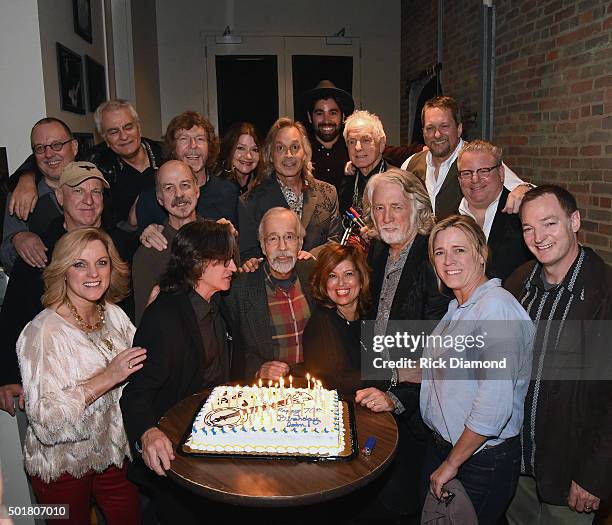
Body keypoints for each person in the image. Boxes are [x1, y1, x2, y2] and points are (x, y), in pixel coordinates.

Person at [16, 227, 145, 525]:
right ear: (63, 270)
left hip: (113, 455)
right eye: (80, 264)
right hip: (60, 469)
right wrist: (107, 378)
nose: (94, 273)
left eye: (102, 262)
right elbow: (45, 422)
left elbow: (140, 369)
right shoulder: (42, 332)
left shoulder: (113, 314)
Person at [505, 185, 612, 524]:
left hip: (571, 477)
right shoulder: (519, 283)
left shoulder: (605, 292)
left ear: (574, 221)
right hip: (516, 468)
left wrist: (595, 475)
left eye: (549, 223)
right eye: (528, 228)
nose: (539, 237)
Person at [419, 214, 534, 525]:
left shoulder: (496, 309)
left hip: (479, 461)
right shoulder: (457, 308)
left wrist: (453, 462)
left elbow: (493, 407)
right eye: (439, 253)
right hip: (451, 449)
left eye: (460, 250)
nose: (448, 260)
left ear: (482, 254)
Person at [120, 220, 237, 525]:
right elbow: (136, 393)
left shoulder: (218, 302)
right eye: (225, 261)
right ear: (198, 263)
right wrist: (147, 432)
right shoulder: (165, 317)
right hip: (175, 456)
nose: (233, 267)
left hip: (213, 443)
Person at [358, 167, 450, 520]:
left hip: (412, 411)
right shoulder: (379, 251)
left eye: (395, 207)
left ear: (416, 207)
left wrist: (397, 396)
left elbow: (437, 346)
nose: (387, 217)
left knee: (403, 507)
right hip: (376, 395)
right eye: (379, 209)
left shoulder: (432, 258)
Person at [0, 162, 115, 417]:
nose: (88, 200)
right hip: (61, 388)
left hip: (116, 383)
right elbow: (13, 313)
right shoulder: (39, 251)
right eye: (78, 191)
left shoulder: (119, 244)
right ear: (60, 197)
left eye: (96, 192)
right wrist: (7, 375)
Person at [401, 95, 532, 220]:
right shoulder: (410, 165)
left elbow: (524, 190)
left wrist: (523, 189)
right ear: (423, 132)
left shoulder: (479, 158)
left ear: (459, 129)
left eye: (444, 126)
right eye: (430, 128)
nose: (437, 134)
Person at [222, 207, 315, 380]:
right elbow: (229, 348)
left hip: (314, 385)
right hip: (268, 391)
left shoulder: (315, 275)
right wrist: (257, 369)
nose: (282, 247)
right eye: (273, 238)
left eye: (289, 237)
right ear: (263, 246)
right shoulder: (239, 289)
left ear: (300, 243)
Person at [243, 117, 341, 253]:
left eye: (295, 147)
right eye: (280, 148)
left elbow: (336, 241)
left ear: (305, 153)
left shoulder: (328, 193)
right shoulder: (250, 202)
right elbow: (248, 254)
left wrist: (311, 258)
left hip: (318, 272)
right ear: (270, 155)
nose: (289, 155)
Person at [136, 111, 239, 233]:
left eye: (200, 139)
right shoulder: (151, 198)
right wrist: (147, 235)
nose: (193, 145)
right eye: (184, 139)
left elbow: (244, 246)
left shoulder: (228, 192)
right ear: (173, 148)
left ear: (209, 147)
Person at [1, 118, 77, 272]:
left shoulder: (96, 184)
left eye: (57, 145)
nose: (49, 154)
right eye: (40, 148)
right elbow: (7, 258)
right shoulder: (20, 196)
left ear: (74, 147)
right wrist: (18, 239)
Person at [131, 160, 199, 324]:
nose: (179, 194)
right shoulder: (148, 253)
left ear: (197, 189)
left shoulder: (219, 238)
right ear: (159, 198)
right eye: (169, 188)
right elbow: (145, 324)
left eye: (185, 185)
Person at [457, 140, 532, 281]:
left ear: (501, 173)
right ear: (459, 179)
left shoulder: (522, 214)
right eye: (467, 173)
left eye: (484, 171)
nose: (475, 179)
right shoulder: (449, 221)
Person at [303, 242, 370, 394]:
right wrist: (393, 375)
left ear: (361, 278)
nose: (341, 283)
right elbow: (336, 381)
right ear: (324, 283)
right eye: (332, 275)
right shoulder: (321, 323)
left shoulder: (369, 314)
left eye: (348, 274)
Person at [301, 80, 355, 193]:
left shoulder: (354, 148)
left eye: (333, 113)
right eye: (319, 113)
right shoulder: (300, 152)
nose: (326, 120)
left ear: (343, 116)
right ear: (310, 117)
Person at [339, 110, 389, 214]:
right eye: (352, 142)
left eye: (366, 140)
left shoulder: (397, 181)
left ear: (381, 143)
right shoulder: (347, 182)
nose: (357, 148)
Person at [217, 121, 263, 195]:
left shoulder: (265, 185)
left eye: (254, 150)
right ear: (229, 150)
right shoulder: (217, 187)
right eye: (241, 148)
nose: (248, 156)